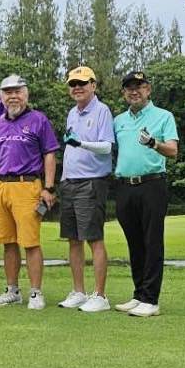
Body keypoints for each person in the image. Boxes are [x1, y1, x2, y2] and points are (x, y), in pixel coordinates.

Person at [0, 75, 59, 310]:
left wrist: (48, 187)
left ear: (26, 94)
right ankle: (12, 290)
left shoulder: (38, 120)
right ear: (2, 97)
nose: (13, 96)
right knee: (8, 242)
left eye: (17, 92)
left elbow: (49, 154)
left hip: (27, 185)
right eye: (8, 92)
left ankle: (35, 292)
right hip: (1, 186)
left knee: (30, 242)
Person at [112, 71, 178, 318]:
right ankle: (139, 294)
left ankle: (151, 299)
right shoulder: (118, 121)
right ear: (124, 93)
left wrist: (153, 143)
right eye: (129, 87)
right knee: (135, 243)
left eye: (139, 86)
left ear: (148, 90)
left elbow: (172, 150)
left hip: (152, 185)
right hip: (125, 186)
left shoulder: (163, 116)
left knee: (152, 242)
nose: (134, 91)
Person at [57, 66, 115, 313]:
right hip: (69, 182)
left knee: (94, 238)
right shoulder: (72, 113)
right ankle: (79, 291)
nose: (77, 88)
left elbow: (107, 146)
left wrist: (81, 143)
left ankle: (100, 295)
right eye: (73, 84)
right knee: (73, 239)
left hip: (91, 181)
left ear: (93, 85)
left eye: (82, 83)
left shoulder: (102, 111)